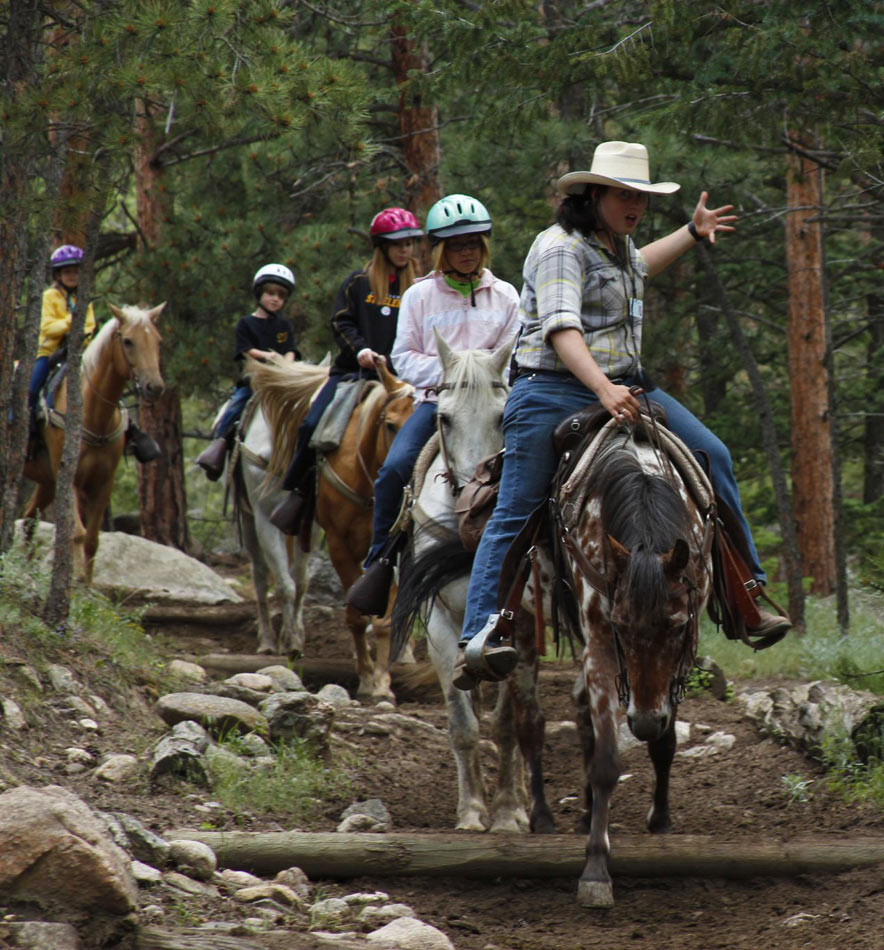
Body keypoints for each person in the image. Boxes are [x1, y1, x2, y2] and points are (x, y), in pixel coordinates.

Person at [454, 140, 792, 689]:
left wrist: (690, 232)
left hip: (627, 387)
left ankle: (746, 597)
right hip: (553, 390)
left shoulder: (619, 246)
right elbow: (563, 330)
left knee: (714, 456)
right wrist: (603, 390)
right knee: (516, 506)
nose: (636, 205)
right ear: (593, 195)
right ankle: (484, 632)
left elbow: (642, 265)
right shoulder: (560, 247)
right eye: (624, 195)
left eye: (642, 196)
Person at [345, 193, 520, 616]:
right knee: (394, 470)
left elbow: (516, 353)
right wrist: (450, 379)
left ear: (484, 247)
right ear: (441, 250)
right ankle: (382, 560)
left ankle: (550, 563)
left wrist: (488, 381)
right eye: (457, 245)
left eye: (473, 244)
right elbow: (403, 355)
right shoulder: (420, 296)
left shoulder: (507, 296)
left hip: (495, 403)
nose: (466, 252)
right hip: (436, 402)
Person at [269, 207, 424, 534]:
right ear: (381, 246)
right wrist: (361, 350)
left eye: (410, 243)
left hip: (404, 380)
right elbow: (340, 321)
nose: (405, 249)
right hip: (354, 375)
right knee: (311, 424)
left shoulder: (421, 287)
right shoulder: (358, 282)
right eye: (398, 243)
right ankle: (301, 493)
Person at [28, 244, 159, 462]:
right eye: (67, 272)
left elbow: (89, 326)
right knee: (32, 387)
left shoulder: (83, 298)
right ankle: (26, 430)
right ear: (58, 274)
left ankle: (129, 431)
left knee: (105, 390)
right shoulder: (49, 296)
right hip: (50, 353)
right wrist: (73, 322)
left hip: (80, 353)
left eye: (76, 271)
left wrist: (80, 327)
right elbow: (47, 327)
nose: (72, 276)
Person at [196, 263, 299, 480]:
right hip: (253, 380)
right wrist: (267, 356)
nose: (275, 299)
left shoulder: (284, 326)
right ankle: (219, 443)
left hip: (281, 379)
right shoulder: (247, 323)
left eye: (281, 296)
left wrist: (288, 365)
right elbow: (245, 350)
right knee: (236, 405)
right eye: (271, 293)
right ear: (259, 293)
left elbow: (291, 349)